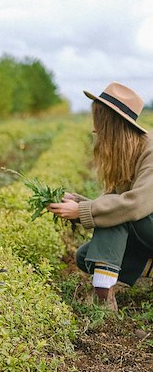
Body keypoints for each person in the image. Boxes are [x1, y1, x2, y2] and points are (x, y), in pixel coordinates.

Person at [48, 82, 153, 311]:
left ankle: (103, 301)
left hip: (144, 219)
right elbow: (115, 203)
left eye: (99, 122)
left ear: (112, 124)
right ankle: (147, 266)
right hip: (146, 229)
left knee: (116, 214)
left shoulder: (151, 150)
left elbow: (135, 206)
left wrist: (82, 210)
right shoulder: (128, 151)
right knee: (85, 256)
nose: (95, 130)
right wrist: (76, 203)